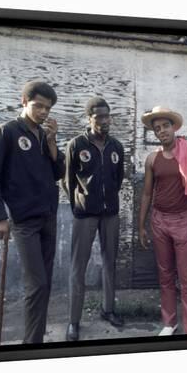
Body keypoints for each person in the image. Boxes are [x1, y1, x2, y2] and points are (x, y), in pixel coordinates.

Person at [0, 81, 65, 344]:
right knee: (36, 284)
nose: (43, 112)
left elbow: (59, 173)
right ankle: (31, 344)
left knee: (45, 284)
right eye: (38, 106)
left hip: (49, 216)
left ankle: (34, 339)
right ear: (24, 101)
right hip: (24, 221)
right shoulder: (6, 132)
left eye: (47, 108)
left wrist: (52, 143)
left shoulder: (43, 135)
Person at [138, 106, 187, 335]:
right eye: (157, 128)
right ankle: (170, 323)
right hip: (159, 220)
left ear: (173, 127)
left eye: (165, 126)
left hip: (183, 221)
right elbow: (147, 194)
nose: (162, 131)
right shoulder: (152, 159)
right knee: (165, 275)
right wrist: (141, 225)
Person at [63, 97, 125, 341]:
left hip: (110, 214)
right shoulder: (76, 144)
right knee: (78, 267)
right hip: (85, 215)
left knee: (110, 263)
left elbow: (118, 179)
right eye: (99, 116)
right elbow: (67, 181)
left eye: (107, 116)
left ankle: (108, 309)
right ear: (89, 118)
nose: (104, 121)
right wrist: (80, 205)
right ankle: (73, 321)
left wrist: (108, 199)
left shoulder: (116, 146)